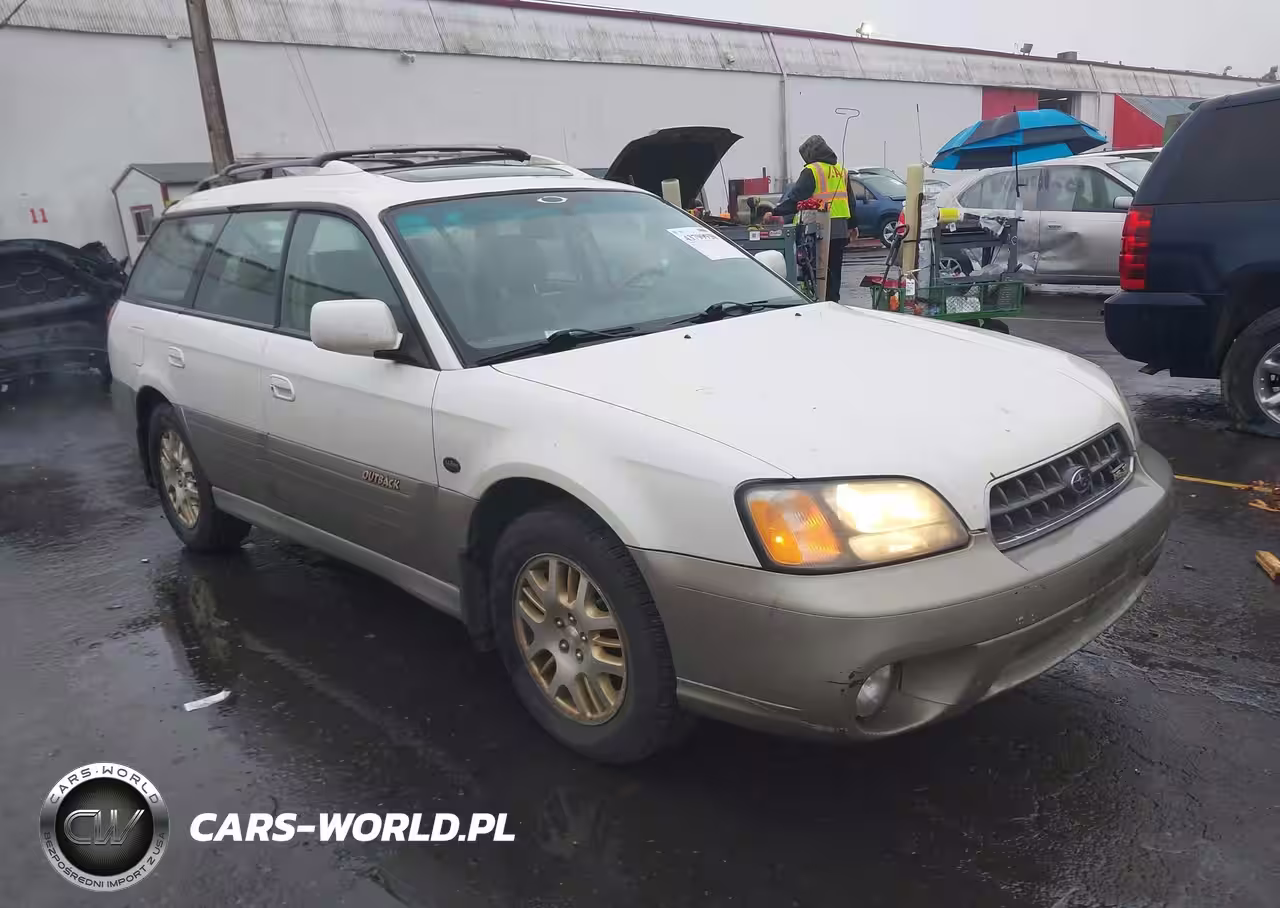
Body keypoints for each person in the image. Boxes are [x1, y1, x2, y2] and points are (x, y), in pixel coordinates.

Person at [772, 135, 853, 301]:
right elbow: (851, 201)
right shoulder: (841, 170)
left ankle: (819, 303)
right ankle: (833, 302)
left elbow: (796, 199)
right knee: (834, 272)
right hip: (840, 228)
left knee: (816, 273)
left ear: (810, 154)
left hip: (818, 228)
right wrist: (853, 226)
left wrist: (774, 212)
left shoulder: (812, 170)